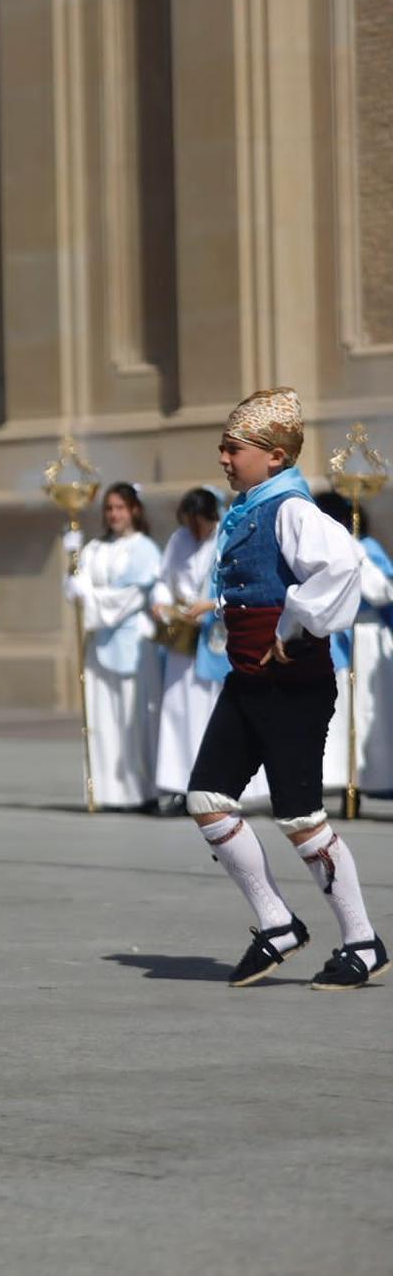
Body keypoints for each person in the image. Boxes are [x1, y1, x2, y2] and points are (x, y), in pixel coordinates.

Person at [184, 389, 383, 990]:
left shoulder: (292, 508)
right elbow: (255, 582)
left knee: (300, 816)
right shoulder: (249, 507)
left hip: (291, 683)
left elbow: (342, 568)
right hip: (248, 677)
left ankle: (363, 941)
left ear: (273, 457)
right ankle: (277, 924)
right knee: (207, 799)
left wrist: (294, 625)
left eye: (233, 447)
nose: (222, 456)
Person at [151, 488, 266, 812]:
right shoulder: (178, 540)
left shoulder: (227, 538)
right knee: (178, 712)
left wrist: (212, 605)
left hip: (215, 637)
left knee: (210, 712)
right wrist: (160, 602)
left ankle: (219, 785)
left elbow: (241, 584)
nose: (194, 530)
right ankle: (178, 785)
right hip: (182, 638)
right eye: (189, 523)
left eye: (199, 522)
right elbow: (163, 578)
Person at [63, 483, 163, 811]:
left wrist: (90, 598)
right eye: (109, 508)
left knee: (134, 720)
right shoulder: (93, 549)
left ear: (134, 510)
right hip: (99, 646)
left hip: (134, 644)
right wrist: (73, 570)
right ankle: (106, 791)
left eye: (120, 507)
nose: (114, 514)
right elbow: (77, 591)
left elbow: (130, 597)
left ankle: (139, 791)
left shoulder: (145, 549)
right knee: (102, 718)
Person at [316, 493, 393, 799]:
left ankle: (379, 776)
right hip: (342, 635)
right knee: (348, 712)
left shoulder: (367, 548)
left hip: (369, 635)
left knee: (371, 709)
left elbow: (382, 592)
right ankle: (352, 777)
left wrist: (357, 556)